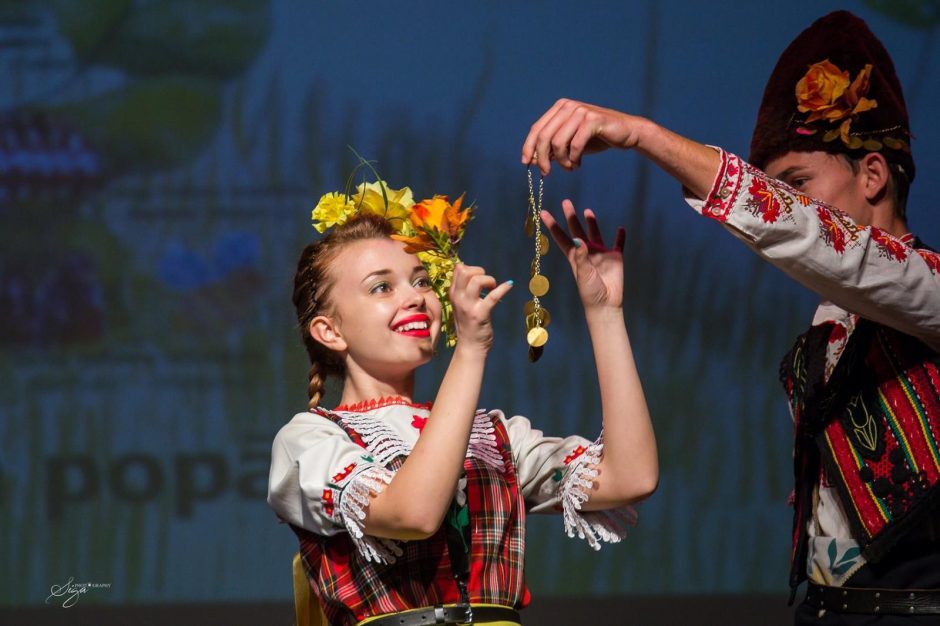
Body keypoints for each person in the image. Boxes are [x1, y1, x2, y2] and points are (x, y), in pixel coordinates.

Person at [521, 9, 940, 625]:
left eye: (798, 183)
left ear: (873, 174)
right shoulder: (828, 329)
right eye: (779, 189)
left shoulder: (928, 288)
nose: (787, 207)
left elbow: (812, 237)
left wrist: (643, 135)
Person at [267, 179, 658, 626]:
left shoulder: (493, 436)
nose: (416, 296)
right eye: (381, 288)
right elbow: (412, 513)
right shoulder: (309, 441)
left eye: (420, 281)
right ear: (329, 331)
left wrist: (604, 314)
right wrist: (470, 351)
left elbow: (631, 476)